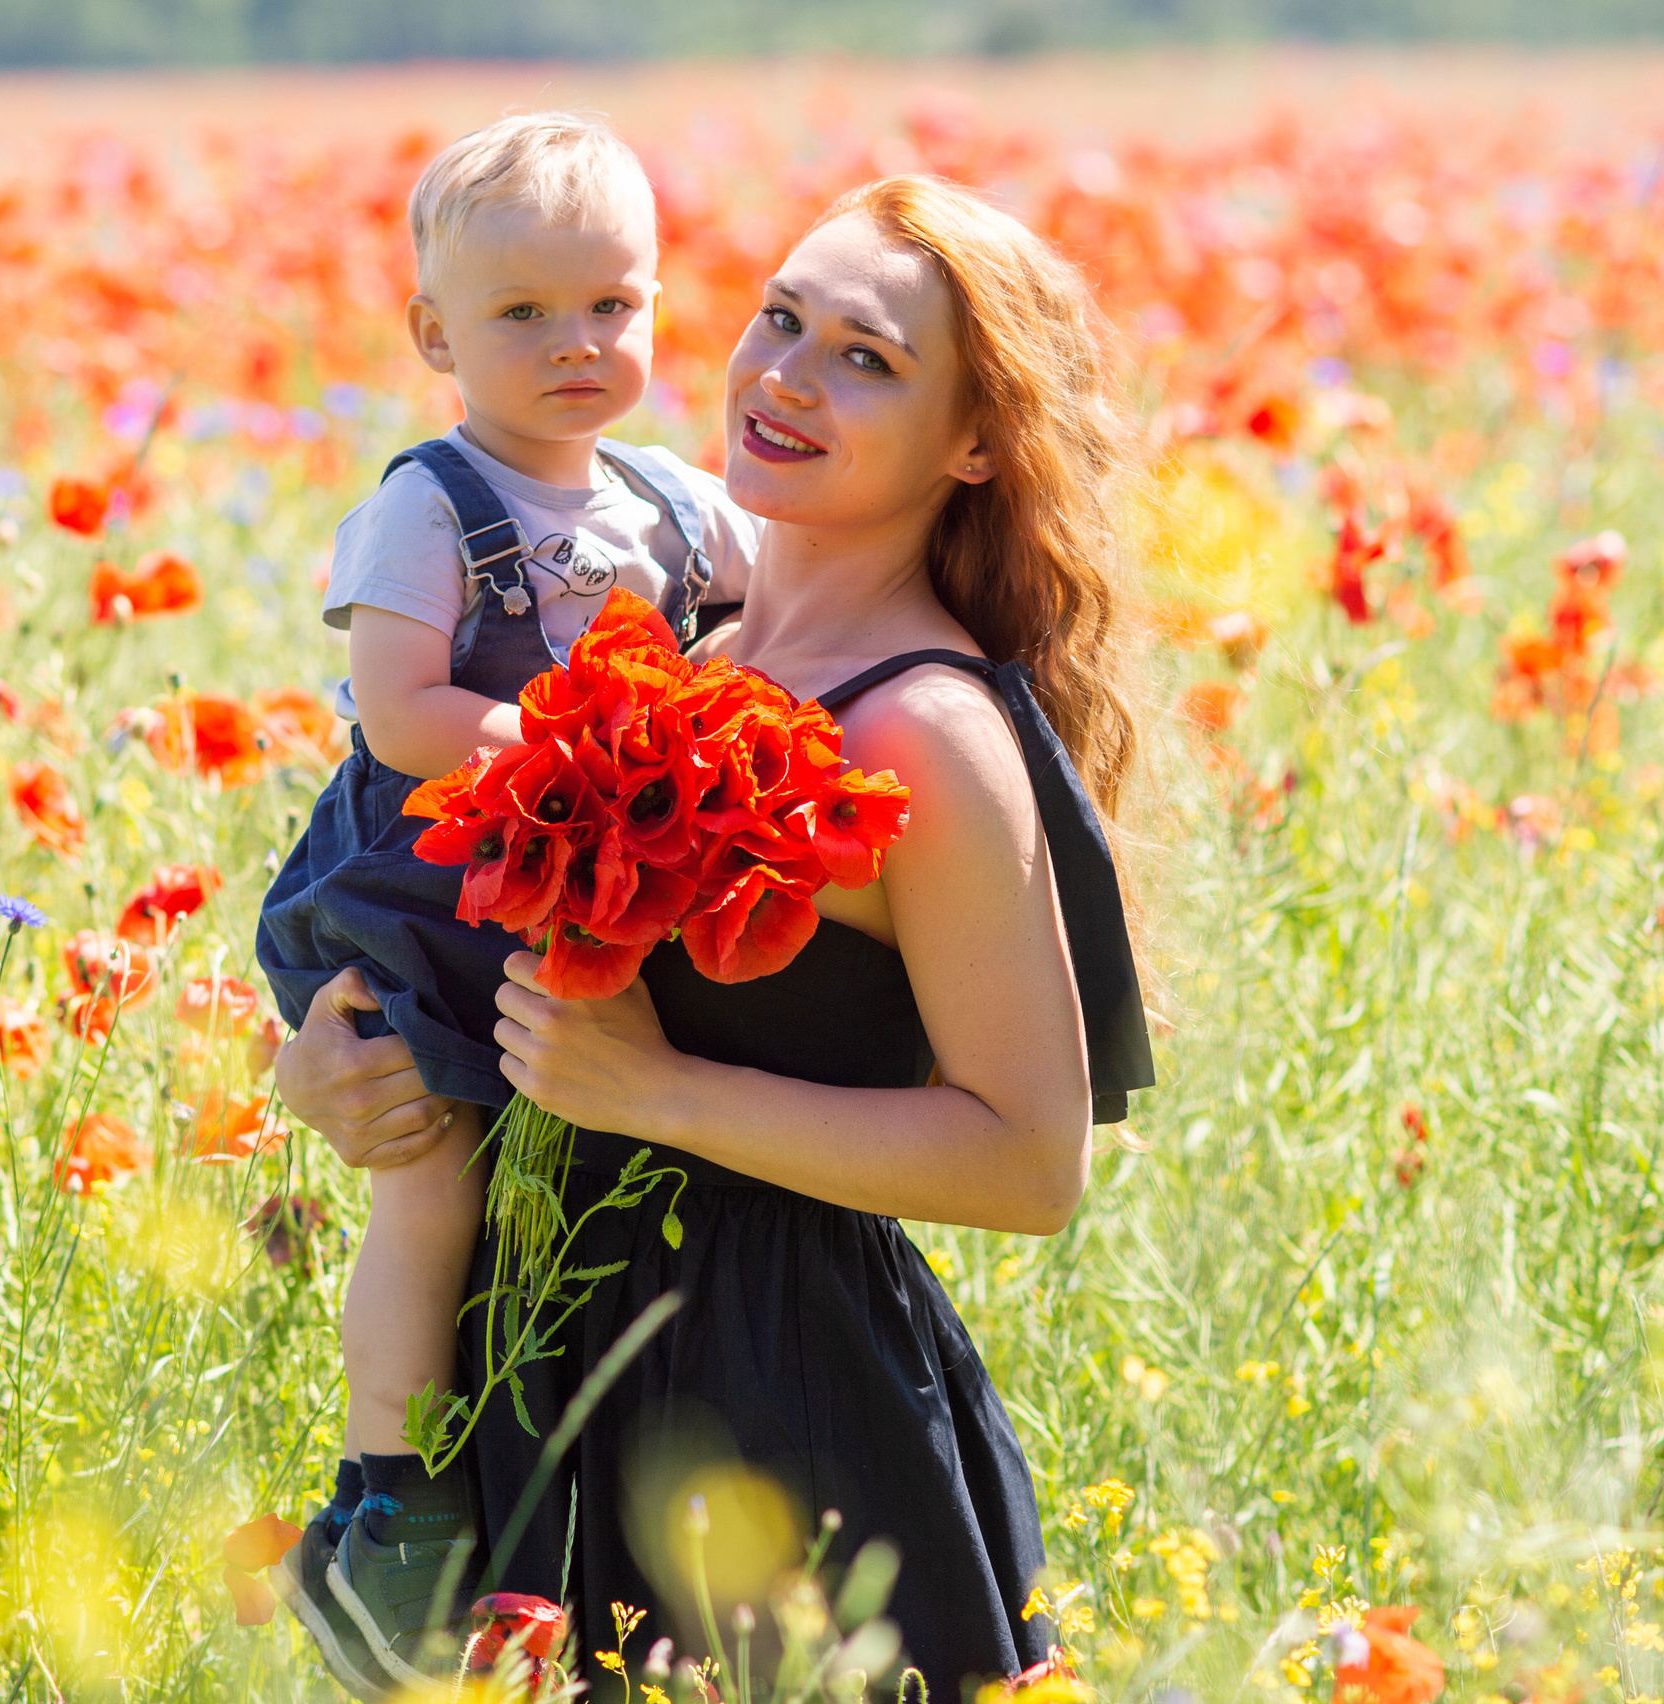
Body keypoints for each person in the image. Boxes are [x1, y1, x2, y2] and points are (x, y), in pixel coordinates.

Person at [271, 173, 1156, 1700]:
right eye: (778, 319)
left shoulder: (924, 733)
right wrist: (341, 1068)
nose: (785, 378)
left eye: (866, 358)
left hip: (779, 1410)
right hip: (543, 1375)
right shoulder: (680, 641)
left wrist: (663, 1096)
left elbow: (1030, 1162)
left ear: (977, 440)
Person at [253, 112, 760, 1697]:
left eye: (613, 305)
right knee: (436, 1165)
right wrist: (582, 746)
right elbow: (400, 705)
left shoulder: (675, 503)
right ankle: (392, 1487)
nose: (578, 345)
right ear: (434, 337)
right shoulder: (432, 503)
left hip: (589, 885)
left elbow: (768, 630)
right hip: (432, 889)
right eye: (525, 315)